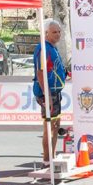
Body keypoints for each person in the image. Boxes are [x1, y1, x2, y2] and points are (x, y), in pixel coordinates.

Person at [33, 19, 67, 167]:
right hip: (48, 93)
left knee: (55, 125)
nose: (58, 34)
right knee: (49, 126)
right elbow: (40, 73)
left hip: (55, 92)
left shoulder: (52, 47)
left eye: (59, 32)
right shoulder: (44, 49)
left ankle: (52, 156)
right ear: (46, 33)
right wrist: (47, 96)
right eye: (54, 32)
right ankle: (47, 160)